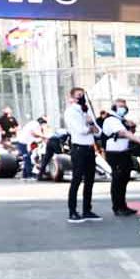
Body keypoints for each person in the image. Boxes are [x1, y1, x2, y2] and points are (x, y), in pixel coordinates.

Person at [99, 98, 140, 216]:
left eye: (124, 106)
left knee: (124, 179)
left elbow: (129, 133)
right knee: (118, 179)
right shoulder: (111, 120)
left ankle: (123, 205)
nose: (123, 109)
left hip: (123, 152)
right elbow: (123, 133)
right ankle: (117, 206)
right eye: (120, 106)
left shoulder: (121, 120)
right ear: (114, 107)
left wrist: (132, 127)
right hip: (115, 154)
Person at [62, 88, 99, 222]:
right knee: (77, 179)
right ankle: (72, 211)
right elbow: (81, 130)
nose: (81, 98)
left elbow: (97, 131)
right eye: (78, 96)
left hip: (90, 148)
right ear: (72, 98)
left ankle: (87, 209)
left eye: (83, 95)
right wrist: (90, 126)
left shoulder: (87, 110)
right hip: (78, 148)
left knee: (90, 179)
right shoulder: (71, 112)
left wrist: (90, 125)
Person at [17, 114, 46, 179]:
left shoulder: (33, 123)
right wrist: (44, 136)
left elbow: (35, 135)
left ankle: (25, 175)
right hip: (23, 142)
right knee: (27, 158)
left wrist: (42, 137)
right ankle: (29, 175)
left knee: (27, 157)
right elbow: (34, 133)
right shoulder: (35, 124)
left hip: (25, 142)